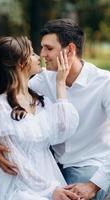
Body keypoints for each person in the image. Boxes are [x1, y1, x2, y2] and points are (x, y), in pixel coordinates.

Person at [0, 36, 79, 200]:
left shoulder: (39, 99)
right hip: (22, 185)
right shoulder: (2, 106)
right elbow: (16, 163)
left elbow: (64, 130)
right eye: (32, 54)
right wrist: (50, 191)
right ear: (21, 63)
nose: (39, 57)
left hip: (49, 176)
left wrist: (60, 84)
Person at [28, 18, 110, 200]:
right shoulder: (43, 80)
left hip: (87, 164)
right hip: (49, 161)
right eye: (42, 48)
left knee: (72, 197)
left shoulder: (105, 83)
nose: (42, 54)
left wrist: (93, 185)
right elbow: (4, 105)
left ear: (70, 49)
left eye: (49, 48)